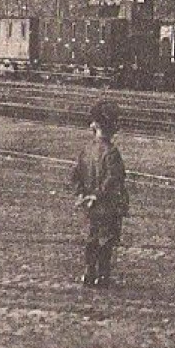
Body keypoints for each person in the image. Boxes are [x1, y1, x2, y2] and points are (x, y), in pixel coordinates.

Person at [71, 100, 130, 287]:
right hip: (107, 205)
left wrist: (82, 194)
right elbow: (114, 178)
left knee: (92, 239)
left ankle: (89, 272)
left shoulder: (86, 151)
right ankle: (103, 275)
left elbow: (76, 175)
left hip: (89, 206)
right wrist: (98, 194)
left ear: (94, 126)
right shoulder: (112, 153)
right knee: (107, 241)